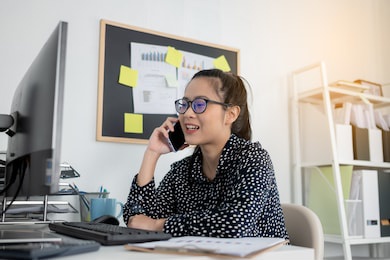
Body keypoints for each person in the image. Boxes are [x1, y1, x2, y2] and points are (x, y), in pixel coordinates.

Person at [123, 69, 288, 239]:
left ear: (230, 114)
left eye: (200, 104)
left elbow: (235, 225)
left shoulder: (253, 159)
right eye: (185, 104)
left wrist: (158, 225)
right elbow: (136, 220)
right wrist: (152, 153)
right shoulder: (183, 170)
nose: (187, 113)